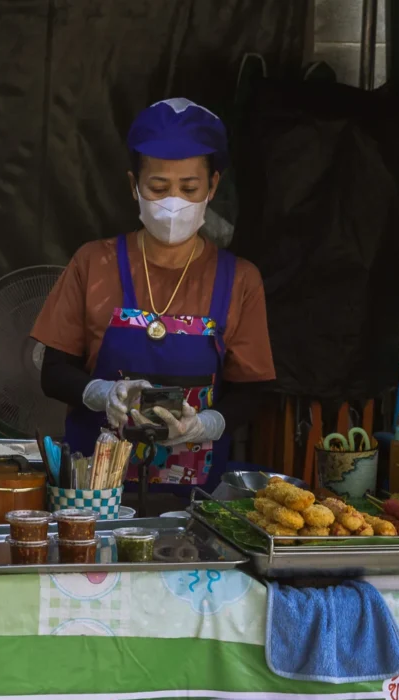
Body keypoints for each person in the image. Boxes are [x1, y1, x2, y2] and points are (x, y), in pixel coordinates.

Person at [33, 97, 275, 497]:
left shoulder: (240, 279)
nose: (173, 202)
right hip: (92, 494)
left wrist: (205, 424)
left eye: (189, 187)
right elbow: (54, 371)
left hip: (194, 499)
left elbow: (251, 391)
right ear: (134, 185)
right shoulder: (95, 263)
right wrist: (103, 394)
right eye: (158, 187)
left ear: (213, 185)